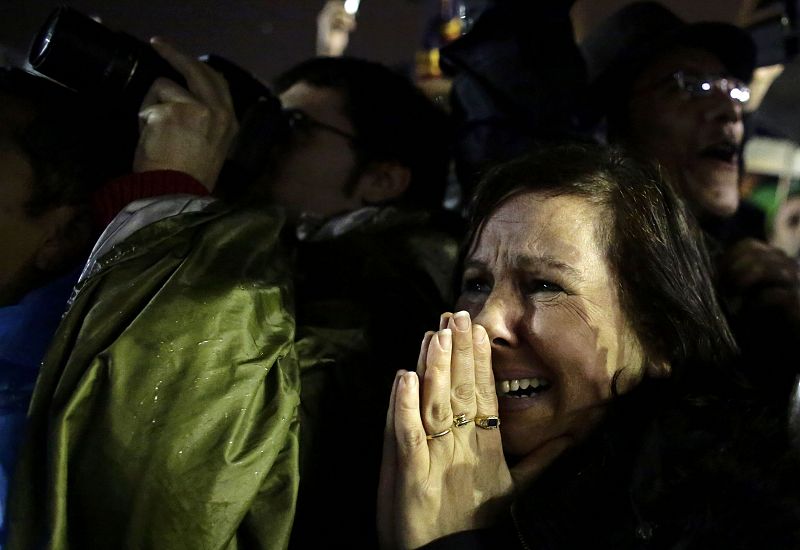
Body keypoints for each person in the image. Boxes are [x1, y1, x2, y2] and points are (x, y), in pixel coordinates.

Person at [7, 38, 457, 549]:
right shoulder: (266, 255)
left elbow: (169, 474)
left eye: (295, 128)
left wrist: (166, 202)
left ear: (381, 179)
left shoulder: (385, 304)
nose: (259, 137)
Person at [378, 142, 800, 549]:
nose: (484, 322)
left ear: (656, 336)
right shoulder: (383, 468)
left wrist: (451, 540)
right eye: (476, 283)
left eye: (544, 285)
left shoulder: (735, 522)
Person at [580, 2, 800, 408]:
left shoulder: (747, 268)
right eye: (686, 85)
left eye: (732, 88)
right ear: (612, 128)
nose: (730, 111)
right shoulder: (588, 275)